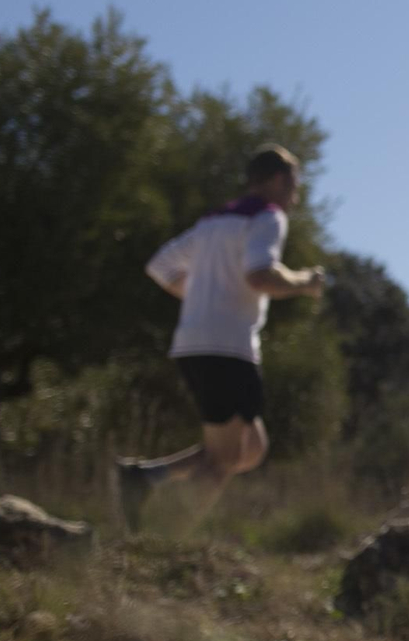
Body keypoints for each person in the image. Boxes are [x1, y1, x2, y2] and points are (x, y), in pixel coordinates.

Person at [115, 145, 327, 531]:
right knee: (226, 459)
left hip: (195, 344)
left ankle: (147, 477)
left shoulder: (213, 221)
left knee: (252, 449)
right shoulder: (268, 217)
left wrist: (199, 296)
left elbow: (160, 266)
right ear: (279, 180)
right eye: (295, 184)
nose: (296, 195)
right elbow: (259, 276)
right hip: (227, 349)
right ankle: (169, 537)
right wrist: (305, 282)